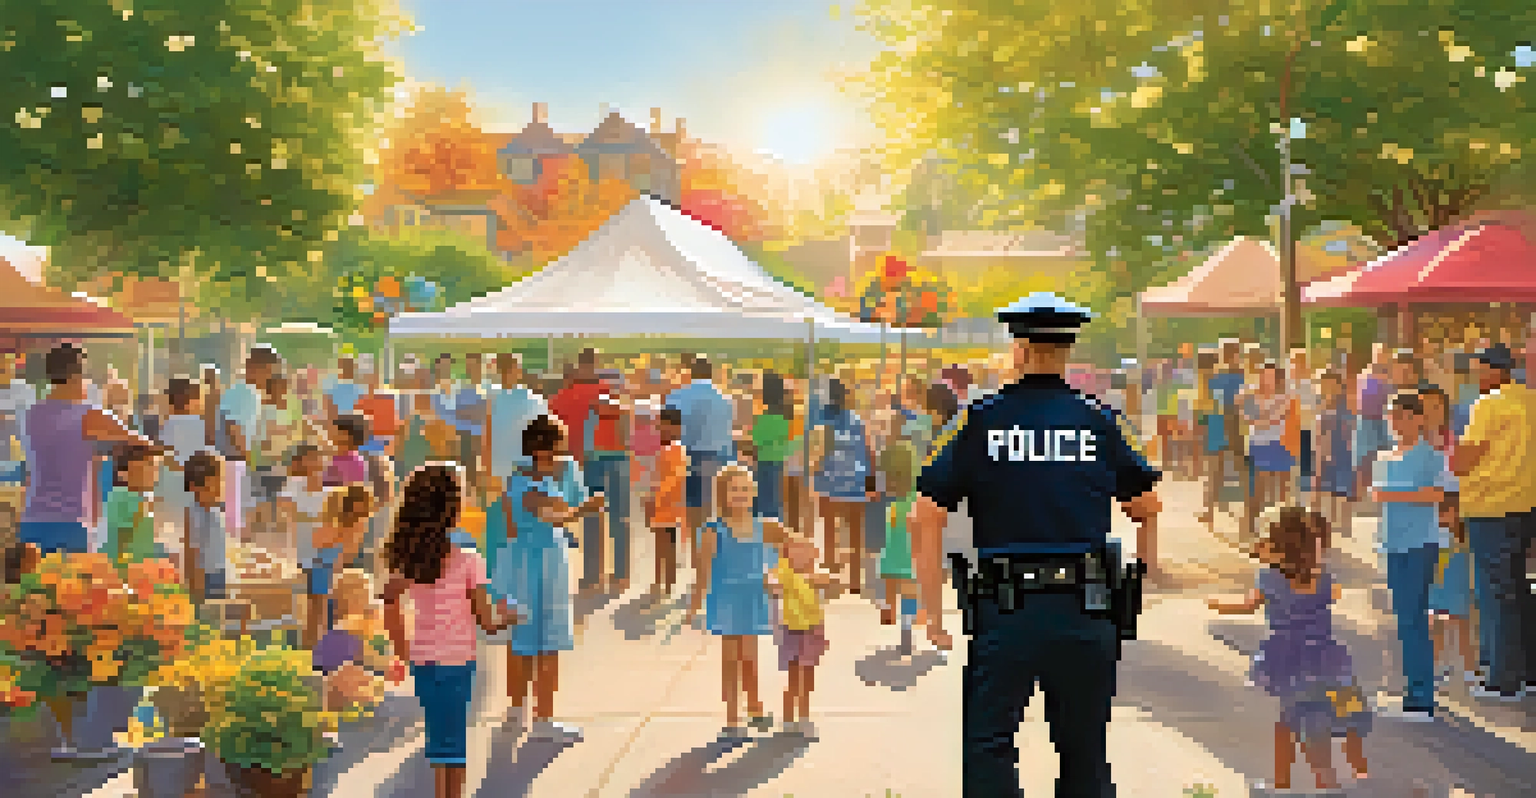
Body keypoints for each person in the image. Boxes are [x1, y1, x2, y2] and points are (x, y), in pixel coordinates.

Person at [908, 293, 1161, 797]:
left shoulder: (979, 419)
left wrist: (932, 613)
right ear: (1067, 349)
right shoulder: (1099, 419)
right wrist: (1139, 585)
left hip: (1007, 612)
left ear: (1018, 347)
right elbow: (1146, 505)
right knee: (1085, 754)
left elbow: (926, 514)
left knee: (989, 747)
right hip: (1087, 610)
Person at [1207, 507, 1370, 791]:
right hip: (1327, 658)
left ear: (1278, 548)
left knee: (1286, 724)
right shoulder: (1325, 580)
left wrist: (1218, 604)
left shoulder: (1269, 578)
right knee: (1332, 719)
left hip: (1288, 660)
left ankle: (1283, 783)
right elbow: (1334, 594)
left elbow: (1248, 605)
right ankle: (1352, 774)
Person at [383, 464, 518, 798]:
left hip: (423, 658)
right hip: (458, 660)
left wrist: (403, 651)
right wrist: (510, 617)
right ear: (453, 507)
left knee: (438, 740)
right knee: (454, 745)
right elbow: (487, 623)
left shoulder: (408, 560)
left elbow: (389, 604)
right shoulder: (469, 560)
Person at [490, 415, 604, 742]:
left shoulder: (517, 477)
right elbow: (558, 513)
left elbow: (516, 524)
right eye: (559, 448)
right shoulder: (532, 483)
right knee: (547, 643)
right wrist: (588, 507)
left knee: (519, 641)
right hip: (540, 564)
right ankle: (544, 719)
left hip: (520, 561)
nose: (564, 456)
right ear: (542, 451)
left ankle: (515, 712)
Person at [1449, 343, 1536, 700]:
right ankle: (1529, 672)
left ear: (1496, 370)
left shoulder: (1488, 404)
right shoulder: (1531, 401)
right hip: (1525, 504)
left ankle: (1502, 679)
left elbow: (1463, 461)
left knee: (1496, 593)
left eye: (1480, 369)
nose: (1477, 376)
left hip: (1489, 507)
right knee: (1519, 589)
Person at [20, 344, 158, 557]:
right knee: (75, 588)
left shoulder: (31, 414)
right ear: (77, 375)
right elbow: (140, 441)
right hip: (71, 523)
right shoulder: (88, 414)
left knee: (34, 588)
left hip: (33, 519)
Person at [687, 464, 786, 741]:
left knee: (750, 658)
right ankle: (733, 719)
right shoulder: (712, 530)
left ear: (753, 492)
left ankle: (755, 708)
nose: (740, 494)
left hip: (754, 599)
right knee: (731, 660)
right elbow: (702, 573)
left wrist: (781, 577)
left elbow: (790, 550)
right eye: (734, 489)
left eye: (745, 489)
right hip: (726, 601)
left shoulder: (765, 527)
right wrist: (694, 608)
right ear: (723, 494)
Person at [1371, 391, 1452, 720]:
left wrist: (1392, 494)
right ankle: (1413, 690)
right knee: (1405, 620)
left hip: (1421, 544)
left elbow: (1435, 495)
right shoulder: (1383, 457)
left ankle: (1421, 696)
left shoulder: (1431, 456)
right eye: (1392, 415)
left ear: (1419, 419)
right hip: (1392, 544)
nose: (1397, 421)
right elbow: (1375, 495)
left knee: (1414, 618)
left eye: (1404, 414)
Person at [767, 530, 842, 740]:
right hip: (791, 630)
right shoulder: (784, 571)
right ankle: (789, 719)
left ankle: (804, 718)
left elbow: (832, 581)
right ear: (787, 553)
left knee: (807, 677)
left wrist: (824, 578)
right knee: (792, 678)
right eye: (794, 549)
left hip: (813, 629)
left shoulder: (817, 573)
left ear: (813, 554)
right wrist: (774, 585)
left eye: (804, 549)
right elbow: (772, 580)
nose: (799, 553)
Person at [666, 356, 734, 565]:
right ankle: (716, 553)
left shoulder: (678, 396)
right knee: (718, 506)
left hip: (689, 454)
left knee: (693, 507)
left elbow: (668, 428)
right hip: (719, 455)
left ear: (691, 373)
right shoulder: (725, 399)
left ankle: (697, 554)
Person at [814, 378, 875, 593]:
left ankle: (831, 578)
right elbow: (869, 452)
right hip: (856, 482)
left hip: (828, 482)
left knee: (830, 531)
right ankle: (855, 582)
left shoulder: (820, 420)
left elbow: (816, 453)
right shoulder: (857, 420)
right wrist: (871, 484)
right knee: (856, 536)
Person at [646, 408, 688, 597]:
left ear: (677, 428)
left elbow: (674, 478)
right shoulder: (662, 449)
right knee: (659, 545)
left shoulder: (676, 449)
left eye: (668, 426)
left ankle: (669, 585)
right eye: (661, 425)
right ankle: (657, 581)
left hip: (670, 505)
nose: (663, 429)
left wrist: (656, 496)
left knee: (669, 546)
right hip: (660, 504)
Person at [103, 444, 163, 566]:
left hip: (137, 570)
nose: (155, 471)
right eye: (150, 464)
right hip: (125, 571)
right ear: (124, 472)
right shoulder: (124, 498)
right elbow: (121, 543)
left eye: (156, 465)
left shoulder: (137, 498)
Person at [182, 451, 228, 602]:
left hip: (220, 573)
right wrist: (196, 589)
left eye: (221, 482)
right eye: (213, 486)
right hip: (205, 578)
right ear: (195, 487)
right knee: (207, 616)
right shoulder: (195, 513)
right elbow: (192, 553)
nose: (220, 489)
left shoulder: (215, 511)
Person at [1315, 370, 1356, 530]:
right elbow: (1319, 432)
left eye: (1333, 385)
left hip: (1343, 454)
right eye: (1325, 385)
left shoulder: (1346, 407)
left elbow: (1350, 431)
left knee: (1343, 494)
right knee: (1328, 493)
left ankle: (1345, 528)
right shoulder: (1321, 406)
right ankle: (1329, 528)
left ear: (1340, 387)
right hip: (1325, 454)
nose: (1329, 388)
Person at [751, 372, 794, 522]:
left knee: (764, 506)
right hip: (780, 464)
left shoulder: (766, 418)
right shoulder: (786, 415)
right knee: (775, 505)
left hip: (765, 464)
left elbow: (754, 445)